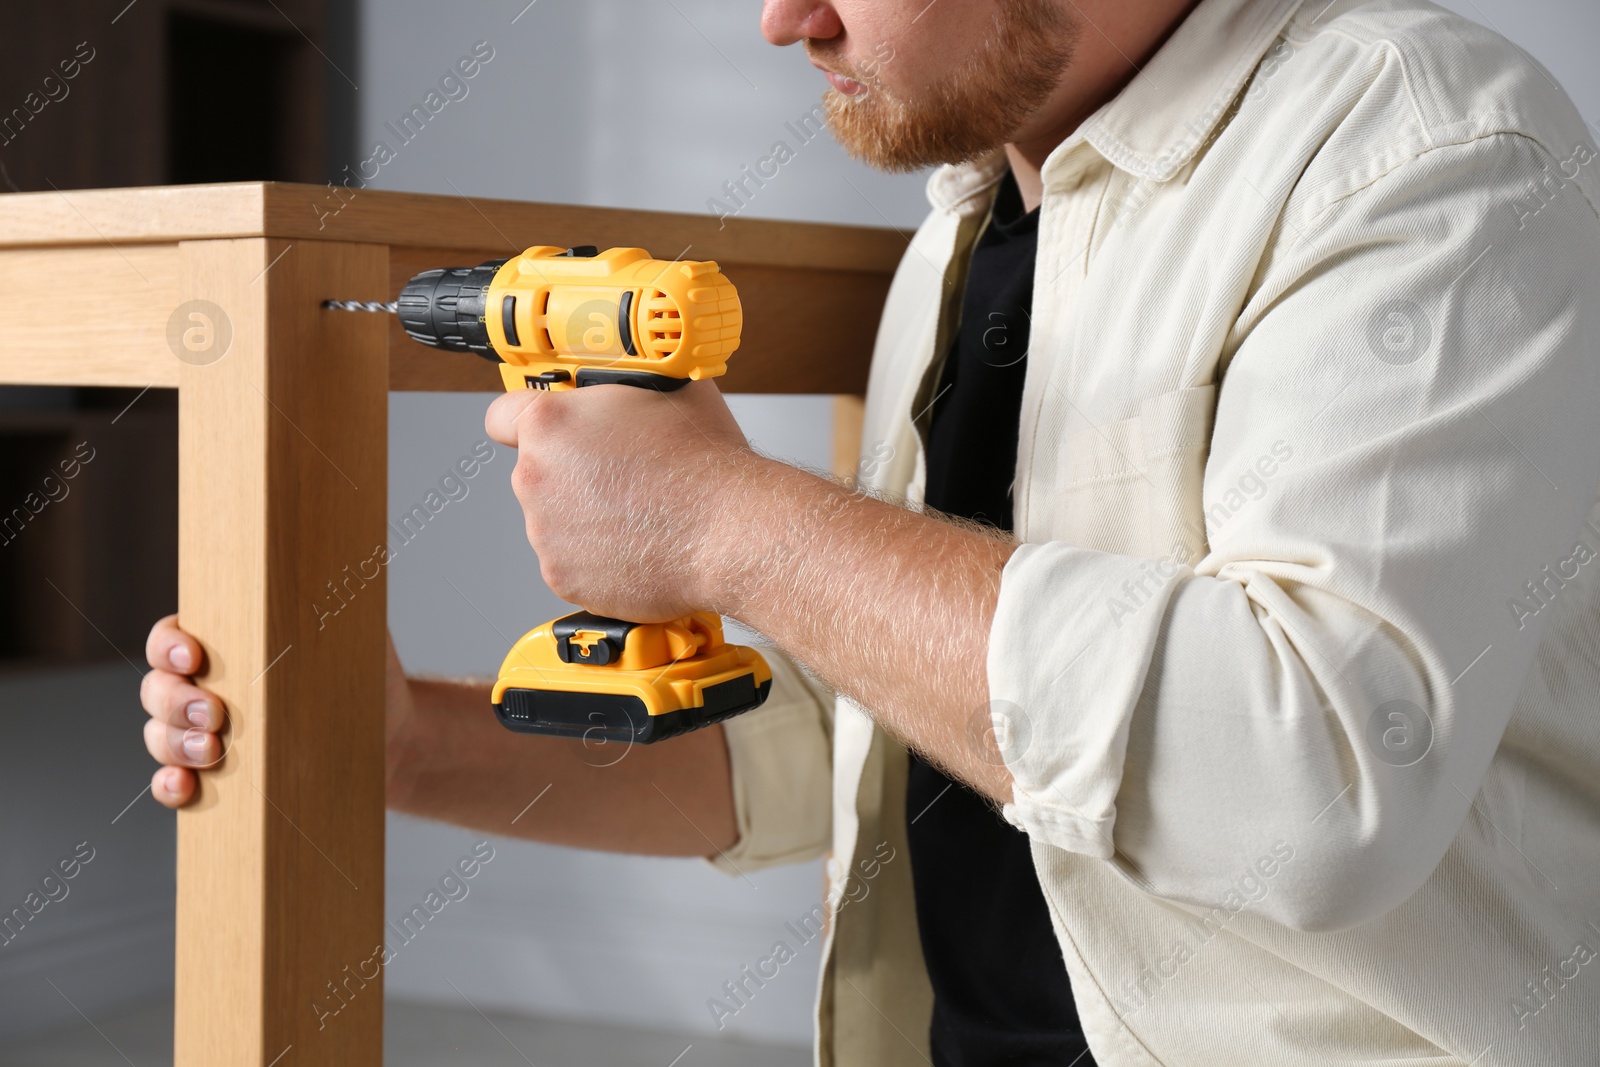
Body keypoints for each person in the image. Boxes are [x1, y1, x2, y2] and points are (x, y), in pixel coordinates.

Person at [141, 0, 1600, 1062]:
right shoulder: (968, 224)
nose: (788, 19)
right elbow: (879, 726)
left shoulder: (1423, 144)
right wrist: (401, 742)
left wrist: (726, 520)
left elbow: (1315, 776)